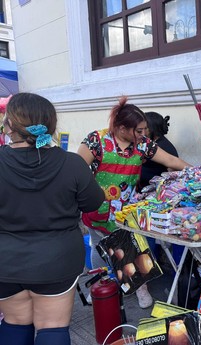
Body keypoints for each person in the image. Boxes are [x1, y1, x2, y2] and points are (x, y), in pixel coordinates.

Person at [0, 93, 105, 345]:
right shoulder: (73, 164)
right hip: (57, 260)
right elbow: (93, 202)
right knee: (53, 327)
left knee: (14, 321)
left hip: (6, 261)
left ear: (10, 126)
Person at [77, 97, 191, 309]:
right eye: (138, 131)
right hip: (97, 209)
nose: (143, 135)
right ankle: (102, 286)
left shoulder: (143, 145)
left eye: (145, 130)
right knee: (99, 248)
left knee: (136, 250)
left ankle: (141, 289)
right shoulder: (96, 140)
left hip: (127, 209)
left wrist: (196, 172)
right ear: (121, 128)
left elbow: (171, 161)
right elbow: (76, 171)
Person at [138, 111, 185, 266]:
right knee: (145, 232)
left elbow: (174, 174)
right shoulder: (149, 144)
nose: (142, 133)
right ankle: (153, 264)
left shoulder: (164, 148)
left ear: (151, 128)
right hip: (146, 198)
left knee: (147, 233)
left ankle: (154, 266)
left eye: (144, 128)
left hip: (158, 202)